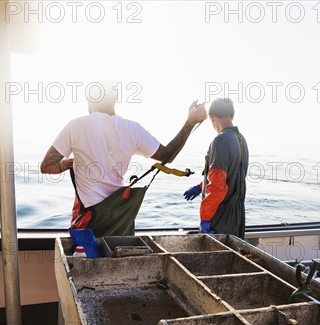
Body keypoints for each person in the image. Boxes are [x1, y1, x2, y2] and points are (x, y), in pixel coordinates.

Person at [40, 83, 208, 236]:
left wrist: (69, 163)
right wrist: (190, 123)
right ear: (115, 99)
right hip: (121, 217)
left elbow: (47, 166)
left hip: (89, 221)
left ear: (90, 99)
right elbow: (167, 156)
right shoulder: (132, 129)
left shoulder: (76, 126)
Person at [183, 97, 249, 238]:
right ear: (232, 114)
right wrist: (202, 186)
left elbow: (218, 185)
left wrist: (205, 219)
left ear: (212, 117)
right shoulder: (241, 140)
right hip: (237, 218)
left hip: (221, 219)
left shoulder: (221, 140)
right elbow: (231, 177)